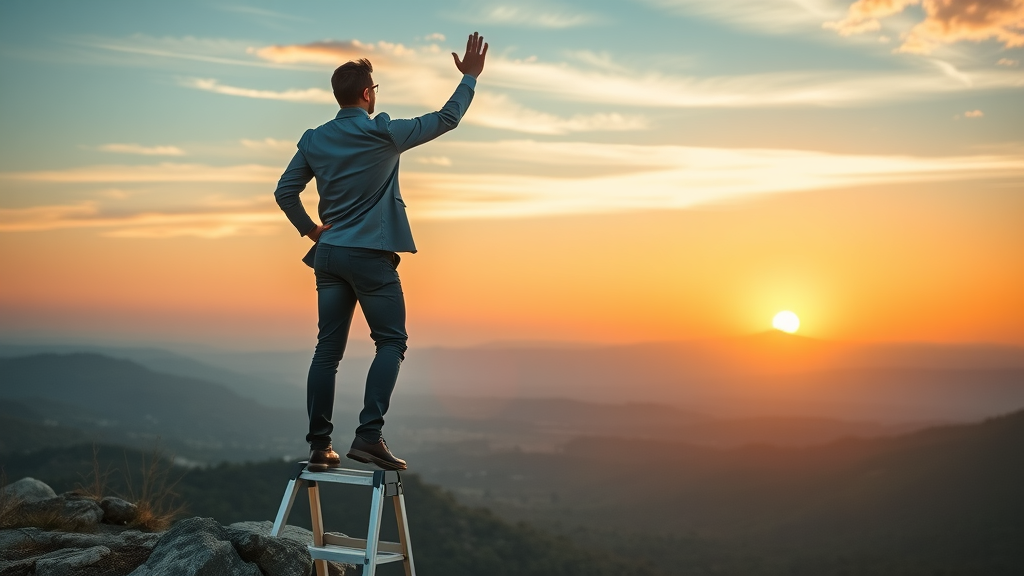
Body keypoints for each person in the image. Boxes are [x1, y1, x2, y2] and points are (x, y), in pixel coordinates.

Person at [274, 33, 488, 472]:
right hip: (370, 257)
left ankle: (320, 446)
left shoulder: (314, 139)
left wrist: (312, 230)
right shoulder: (384, 133)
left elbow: (284, 191)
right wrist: (469, 78)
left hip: (329, 255)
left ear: (340, 96)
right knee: (391, 341)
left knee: (326, 351)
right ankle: (369, 436)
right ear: (368, 94)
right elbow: (447, 118)